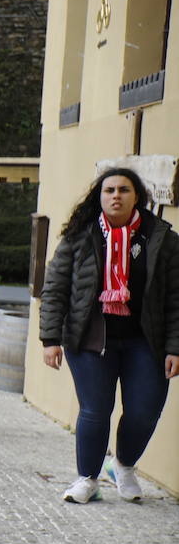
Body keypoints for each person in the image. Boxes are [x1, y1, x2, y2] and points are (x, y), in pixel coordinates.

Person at [39, 167, 179, 504]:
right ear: (99, 197)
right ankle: (87, 479)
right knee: (95, 411)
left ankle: (124, 466)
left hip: (146, 341)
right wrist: (50, 339)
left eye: (124, 190)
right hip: (89, 340)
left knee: (144, 411)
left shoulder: (161, 238)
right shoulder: (80, 236)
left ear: (137, 196)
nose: (116, 195)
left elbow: (176, 296)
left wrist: (175, 346)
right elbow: (55, 288)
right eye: (109, 190)